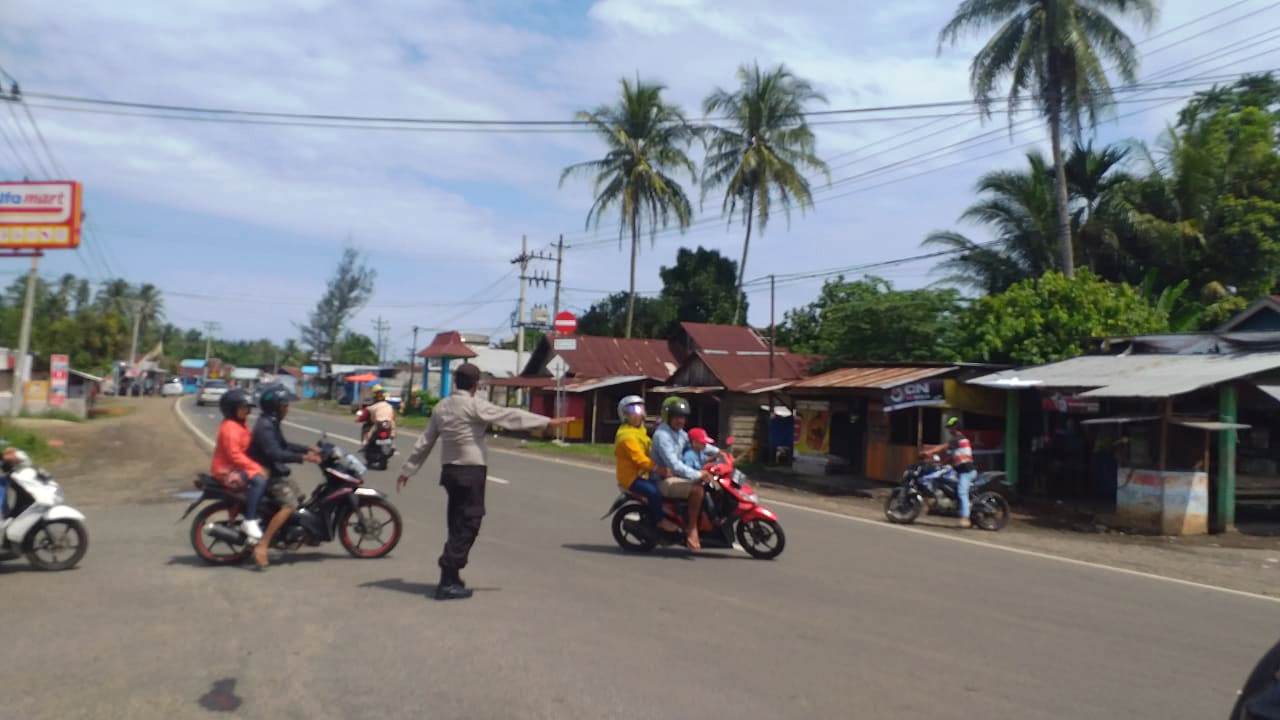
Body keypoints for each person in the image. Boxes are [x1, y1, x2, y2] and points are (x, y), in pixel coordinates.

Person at [396, 363, 574, 601]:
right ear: (475, 384)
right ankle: (448, 577)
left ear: (456, 381)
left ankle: (453, 575)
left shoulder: (441, 407)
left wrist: (408, 469)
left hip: (449, 471)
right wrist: (548, 422)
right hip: (471, 471)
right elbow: (510, 416)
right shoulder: (474, 405)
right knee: (470, 522)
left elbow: (425, 441)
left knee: (456, 521)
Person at [248, 384, 321, 569]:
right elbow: (276, 453)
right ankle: (262, 545)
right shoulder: (265, 426)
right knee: (290, 505)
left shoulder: (270, 422)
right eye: (285, 405)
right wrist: (303, 457)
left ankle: (291, 533)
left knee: (299, 497)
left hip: (273, 471)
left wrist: (308, 448)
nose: (287, 409)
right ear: (276, 407)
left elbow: (284, 445)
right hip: (267, 474)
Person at [613, 395, 678, 534]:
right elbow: (640, 459)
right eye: (633, 410)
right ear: (624, 414)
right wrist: (659, 469)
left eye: (640, 408)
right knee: (654, 492)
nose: (639, 413)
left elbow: (651, 446)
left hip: (643, 474)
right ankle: (660, 521)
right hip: (631, 478)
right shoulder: (626, 436)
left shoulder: (639, 430)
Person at [650, 396, 709, 550]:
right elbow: (674, 465)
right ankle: (691, 528)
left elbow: (697, 444)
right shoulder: (662, 436)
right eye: (676, 417)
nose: (680, 421)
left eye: (683, 417)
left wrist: (720, 453)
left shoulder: (680, 433)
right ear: (668, 417)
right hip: (662, 479)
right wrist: (697, 474)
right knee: (697, 489)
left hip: (674, 475)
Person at [210, 389, 268, 543]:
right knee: (259, 480)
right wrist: (255, 468)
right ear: (231, 408)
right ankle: (249, 520)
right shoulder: (230, 427)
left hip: (236, 467)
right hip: (226, 471)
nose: (247, 411)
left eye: (247, 408)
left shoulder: (240, 425)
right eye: (243, 408)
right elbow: (234, 455)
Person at [922, 416, 976, 528]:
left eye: (950, 427)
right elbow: (951, 458)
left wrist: (929, 451)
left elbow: (943, 447)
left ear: (956, 427)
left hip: (966, 472)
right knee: (939, 478)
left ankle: (965, 519)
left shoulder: (959, 438)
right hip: (959, 471)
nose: (949, 430)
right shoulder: (956, 442)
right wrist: (940, 464)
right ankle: (936, 505)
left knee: (962, 492)